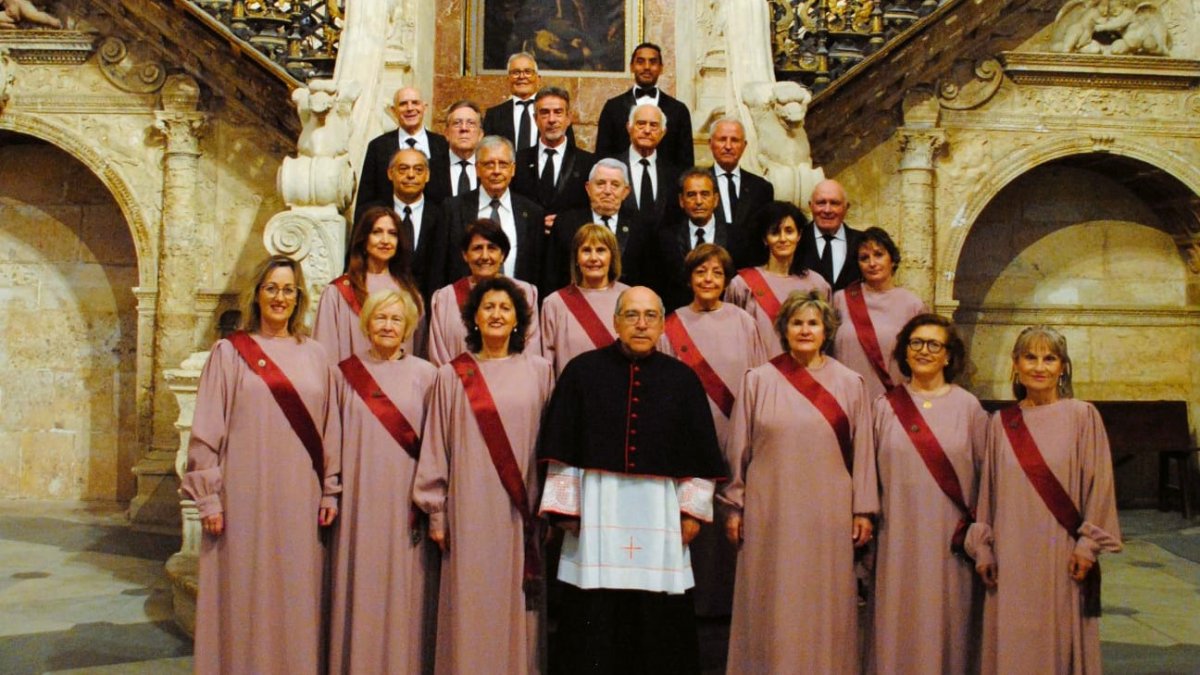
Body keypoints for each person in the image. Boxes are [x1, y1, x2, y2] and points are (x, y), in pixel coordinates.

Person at [538, 285, 726, 674]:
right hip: (596, 507)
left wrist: (691, 511)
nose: (641, 324)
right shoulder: (582, 372)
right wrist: (564, 511)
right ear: (615, 322)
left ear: (662, 324)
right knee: (595, 610)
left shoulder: (682, 379)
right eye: (632, 315)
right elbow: (562, 445)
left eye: (651, 316)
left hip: (661, 511)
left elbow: (701, 455)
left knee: (659, 614)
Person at [182, 255, 341, 675]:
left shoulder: (317, 356)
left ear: (299, 297)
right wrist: (210, 500)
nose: (280, 297)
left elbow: (330, 431)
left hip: (299, 498)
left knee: (295, 592)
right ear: (257, 294)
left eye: (288, 289)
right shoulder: (230, 353)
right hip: (243, 496)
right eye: (272, 288)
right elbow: (206, 430)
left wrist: (330, 488)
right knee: (244, 593)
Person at [722, 291, 877, 674]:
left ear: (826, 330)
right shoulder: (758, 380)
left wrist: (863, 510)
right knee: (771, 599)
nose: (805, 330)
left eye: (813, 323)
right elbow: (738, 448)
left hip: (828, 513)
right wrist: (734, 506)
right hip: (769, 510)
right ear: (783, 330)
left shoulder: (851, 383)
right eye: (796, 322)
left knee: (822, 601)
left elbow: (864, 453)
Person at [413, 276, 555, 675]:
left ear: (519, 320)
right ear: (473, 318)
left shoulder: (542, 372)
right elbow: (436, 445)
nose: (496, 314)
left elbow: (551, 447)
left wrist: (550, 509)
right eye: (488, 307)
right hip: (468, 509)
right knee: (469, 602)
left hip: (522, 513)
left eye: (505, 308)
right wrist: (436, 510)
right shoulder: (452, 375)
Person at [967, 326, 1122, 675]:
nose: (1039, 366)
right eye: (1030, 357)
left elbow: (1099, 485)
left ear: (1063, 367)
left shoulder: (1083, 417)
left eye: (1049, 358)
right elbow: (988, 492)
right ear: (1015, 365)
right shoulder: (1001, 424)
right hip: (1011, 554)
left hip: (1062, 554)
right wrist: (985, 547)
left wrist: (1087, 544)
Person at [869, 313, 987, 675]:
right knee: (897, 618)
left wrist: (980, 535)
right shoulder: (884, 407)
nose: (923, 351)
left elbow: (987, 479)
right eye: (915, 343)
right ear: (904, 351)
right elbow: (867, 474)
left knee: (948, 622)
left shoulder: (969, 409)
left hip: (948, 541)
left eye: (934, 345)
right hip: (896, 538)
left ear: (949, 356)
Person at [328, 289, 438, 675]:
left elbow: (438, 444)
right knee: (360, 588)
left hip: (406, 501)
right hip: (358, 502)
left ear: (408, 327)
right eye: (380, 318)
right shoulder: (344, 374)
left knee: (405, 593)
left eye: (396, 319)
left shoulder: (429, 376)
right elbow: (331, 439)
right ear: (367, 323)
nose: (388, 326)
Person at [657, 243, 766, 619]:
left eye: (716, 273)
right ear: (689, 278)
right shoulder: (671, 325)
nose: (708, 279)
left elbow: (759, 382)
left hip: (737, 435)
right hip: (688, 442)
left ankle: (732, 607)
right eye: (701, 272)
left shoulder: (744, 322)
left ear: (726, 280)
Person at [314, 205, 426, 363]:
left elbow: (419, 354)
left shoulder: (411, 294)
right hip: (352, 385)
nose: (385, 240)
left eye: (392, 234)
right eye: (377, 232)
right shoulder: (339, 292)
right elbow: (325, 357)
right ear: (363, 239)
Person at [434, 135, 545, 291]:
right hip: (462, 305)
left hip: (515, 307)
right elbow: (439, 268)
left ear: (513, 169)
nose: (496, 171)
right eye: (489, 164)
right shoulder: (453, 208)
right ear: (477, 169)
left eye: (503, 164)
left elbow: (538, 270)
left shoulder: (532, 213)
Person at [831, 226, 928, 402]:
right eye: (864, 258)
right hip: (845, 400)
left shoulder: (912, 305)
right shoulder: (840, 300)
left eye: (878, 254)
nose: (872, 263)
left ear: (892, 259)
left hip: (893, 402)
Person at [427, 219, 540, 366]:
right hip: (459, 386)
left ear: (503, 255)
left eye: (492, 248)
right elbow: (439, 357)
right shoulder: (444, 298)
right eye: (477, 248)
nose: (485, 256)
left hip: (514, 385)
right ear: (465, 255)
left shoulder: (525, 293)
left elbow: (530, 352)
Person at [726, 201, 830, 358]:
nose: (783, 238)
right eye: (775, 232)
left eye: (789, 231)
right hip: (760, 377)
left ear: (799, 235)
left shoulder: (817, 284)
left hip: (807, 377)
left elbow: (827, 339)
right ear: (765, 239)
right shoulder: (742, 284)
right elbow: (732, 338)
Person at [545, 158, 650, 291]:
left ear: (626, 192)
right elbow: (552, 274)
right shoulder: (565, 223)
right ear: (588, 188)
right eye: (600, 183)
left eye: (615, 185)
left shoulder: (641, 227)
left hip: (626, 304)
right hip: (577, 303)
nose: (607, 191)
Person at [540, 224, 628, 376]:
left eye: (601, 250)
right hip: (573, 394)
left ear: (612, 256)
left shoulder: (630, 297)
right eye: (586, 250)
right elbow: (547, 365)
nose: (593, 258)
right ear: (576, 258)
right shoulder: (555, 303)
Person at [355, 87, 449, 223]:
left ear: (425, 107)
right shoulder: (378, 146)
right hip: (389, 231)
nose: (410, 108)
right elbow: (365, 200)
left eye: (415, 103)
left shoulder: (442, 145)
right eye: (403, 104)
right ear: (394, 111)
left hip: (434, 232)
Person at [512, 86, 594, 239]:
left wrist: (564, 223)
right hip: (528, 246)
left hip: (569, 247)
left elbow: (592, 209)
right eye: (544, 113)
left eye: (558, 112)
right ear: (535, 118)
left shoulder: (588, 162)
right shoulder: (518, 160)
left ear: (568, 118)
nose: (551, 120)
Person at [594, 43, 694, 169]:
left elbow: (686, 164)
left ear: (661, 68)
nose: (647, 67)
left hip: (666, 186)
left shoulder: (679, 111)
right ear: (632, 67)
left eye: (653, 62)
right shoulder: (613, 108)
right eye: (640, 62)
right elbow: (603, 157)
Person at [707, 118, 774, 268]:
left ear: (744, 146)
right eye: (722, 139)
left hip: (750, 273)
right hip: (710, 270)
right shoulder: (698, 184)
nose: (728, 146)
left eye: (735, 140)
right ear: (710, 143)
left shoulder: (761, 188)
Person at [653, 168, 723, 310]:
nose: (698, 201)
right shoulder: (665, 239)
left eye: (704, 194)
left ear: (715, 199)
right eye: (691, 195)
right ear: (681, 201)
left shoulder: (738, 237)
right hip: (679, 321)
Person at [483, 53, 574, 151]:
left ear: (538, 79)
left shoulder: (555, 112)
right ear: (508, 79)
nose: (522, 77)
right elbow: (486, 151)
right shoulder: (494, 115)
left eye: (528, 72)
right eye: (516, 72)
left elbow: (570, 150)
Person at [617, 103, 683, 223]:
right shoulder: (613, 168)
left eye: (654, 125)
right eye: (641, 124)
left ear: (663, 132)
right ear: (629, 127)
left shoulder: (674, 174)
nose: (647, 130)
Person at [798, 179, 864, 291]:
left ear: (846, 207)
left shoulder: (862, 242)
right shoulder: (796, 241)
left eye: (834, 203)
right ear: (810, 206)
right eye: (821, 203)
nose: (827, 210)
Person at [426, 100, 484, 206]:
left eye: (471, 123)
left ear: (480, 135)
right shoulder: (429, 168)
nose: (464, 128)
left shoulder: (489, 168)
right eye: (457, 123)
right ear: (446, 133)